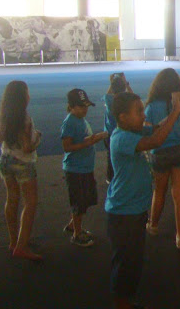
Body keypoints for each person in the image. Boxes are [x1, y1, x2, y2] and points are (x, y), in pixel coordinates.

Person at [106, 90, 180, 309]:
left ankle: (127, 300)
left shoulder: (132, 131)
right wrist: (176, 111)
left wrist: (174, 112)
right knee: (125, 263)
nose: (144, 115)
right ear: (123, 117)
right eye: (139, 111)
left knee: (133, 260)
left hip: (133, 210)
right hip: (124, 213)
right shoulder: (121, 138)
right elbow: (156, 140)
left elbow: (157, 128)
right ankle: (122, 303)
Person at [144, 68, 180, 249]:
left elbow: (148, 132)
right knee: (179, 193)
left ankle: (153, 225)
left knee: (159, 191)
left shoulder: (151, 105)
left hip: (159, 152)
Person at [0, 81, 43, 261]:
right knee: (30, 202)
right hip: (22, 163)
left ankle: (13, 241)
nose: (29, 96)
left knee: (12, 199)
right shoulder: (24, 119)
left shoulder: (3, 116)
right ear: (22, 97)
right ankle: (22, 247)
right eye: (27, 93)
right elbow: (26, 148)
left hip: (5, 160)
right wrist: (37, 139)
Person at [61, 88, 108, 247]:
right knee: (79, 202)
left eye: (86, 106)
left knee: (86, 200)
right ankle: (77, 234)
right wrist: (89, 142)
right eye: (81, 106)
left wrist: (94, 138)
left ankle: (73, 225)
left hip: (85, 168)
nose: (85, 109)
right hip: (75, 169)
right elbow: (67, 147)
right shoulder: (69, 122)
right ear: (71, 107)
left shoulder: (80, 120)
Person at [104, 73, 132, 184]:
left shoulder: (109, 100)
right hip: (123, 133)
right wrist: (127, 84)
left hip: (109, 133)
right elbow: (134, 97)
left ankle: (110, 178)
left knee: (111, 156)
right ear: (124, 88)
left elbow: (108, 94)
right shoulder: (126, 101)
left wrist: (112, 83)